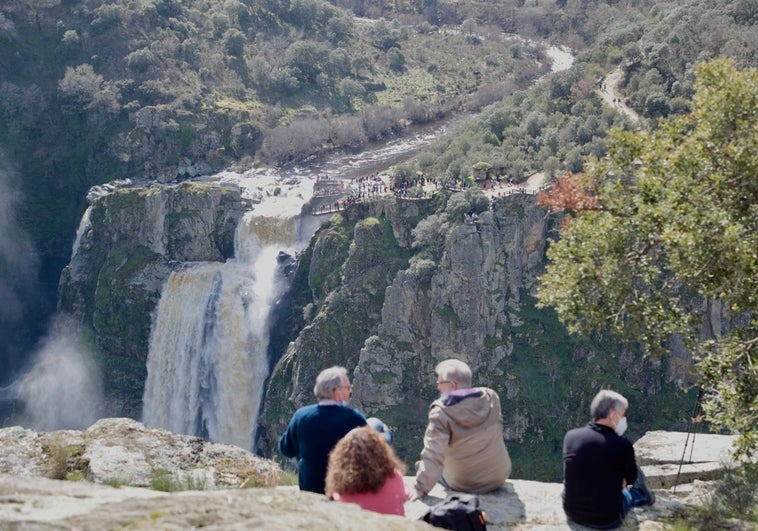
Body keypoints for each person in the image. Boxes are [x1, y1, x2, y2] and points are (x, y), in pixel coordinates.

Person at [409, 358, 512, 501]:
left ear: (452, 385)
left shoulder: (441, 413)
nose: (438, 387)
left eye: (440, 383)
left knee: (421, 465)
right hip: (499, 475)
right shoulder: (491, 397)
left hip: (466, 483)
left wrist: (419, 488)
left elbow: (434, 454)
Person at [562, 389, 655, 529]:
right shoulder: (622, 445)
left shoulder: (571, 437)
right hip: (605, 519)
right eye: (622, 415)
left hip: (572, 512)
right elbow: (629, 480)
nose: (623, 420)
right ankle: (641, 494)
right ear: (612, 415)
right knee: (629, 494)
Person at [278, 366, 367, 494]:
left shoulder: (301, 416)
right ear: (336, 391)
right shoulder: (353, 418)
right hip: (343, 490)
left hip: (310, 488)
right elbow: (372, 452)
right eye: (348, 388)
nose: (350, 391)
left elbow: (286, 449)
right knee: (377, 426)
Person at [325, 426, 408, 516]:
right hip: (393, 526)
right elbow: (404, 495)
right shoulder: (394, 476)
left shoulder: (341, 488)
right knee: (376, 424)